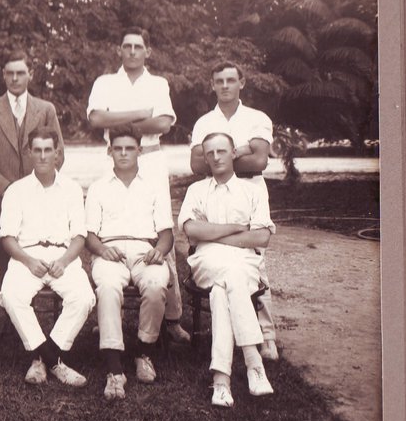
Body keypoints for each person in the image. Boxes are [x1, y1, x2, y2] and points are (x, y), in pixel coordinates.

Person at [86, 27, 191, 344]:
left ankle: (171, 317)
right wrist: (138, 116)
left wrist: (116, 120)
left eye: (138, 46)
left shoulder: (158, 83)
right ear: (119, 49)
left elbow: (162, 123)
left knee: (159, 232)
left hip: (151, 157)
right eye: (126, 45)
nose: (132, 51)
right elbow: (95, 120)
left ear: (148, 51)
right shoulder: (105, 82)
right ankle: (108, 314)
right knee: (109, 230)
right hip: (114, 157)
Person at [178, 132, 275, 408]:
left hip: (244, 262)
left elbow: (261, 238)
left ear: (234, 153)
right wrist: (235, 228)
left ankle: (221, 380)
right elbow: (191, 230)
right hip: (206, 260)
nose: (216, 157)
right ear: (206, 159)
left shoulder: (253, 191)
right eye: (210, 153)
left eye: (222, 151)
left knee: (223, 290)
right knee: (231, 276)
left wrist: (211, 233)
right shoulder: (196, 191)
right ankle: (254, 363)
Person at [190, 61, 278, 360]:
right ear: (212, 84)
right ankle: (228, 329)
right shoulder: (204, 122)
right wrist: (241, 150)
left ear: (242, 82)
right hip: (213, 192)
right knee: (219, 253)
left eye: (230, 80)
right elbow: (197, 165)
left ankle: (266, 335)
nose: (225, 85)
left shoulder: (257, 118)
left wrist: (222, 158)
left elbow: (259, 162)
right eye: (219, 80)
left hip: (250, 190)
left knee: (256, 261)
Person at [0, 126, 95, 387]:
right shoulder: (16, 190)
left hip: (62, 257)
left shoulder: (72, 189)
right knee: (11, 295)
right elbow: (7, 237)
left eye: (47, 150)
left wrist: (63, 261)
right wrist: (28, 261)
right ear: (29, 152)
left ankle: (42, 357)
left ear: (57, 153)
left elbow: (79, 236)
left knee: (84, 297)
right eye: (37, 150)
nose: (42, 156)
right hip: (26, 256)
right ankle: (54, 361)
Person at [85, 127, 174, 400]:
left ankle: (143, 351)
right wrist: (102, 249)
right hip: (109, 248)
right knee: (109, 286)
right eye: (118, 148)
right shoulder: (98, 187)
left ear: (140, 150)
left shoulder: (154, 187)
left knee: (157, 283)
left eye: (130, 148)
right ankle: (114, 367)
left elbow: (167, 235)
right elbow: (90, 235)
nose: (124, 153)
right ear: (109, 151)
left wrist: (159, 251)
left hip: (144, 248)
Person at [0, 50, 64, 277]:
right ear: (3, 75)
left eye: (20, 73)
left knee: (39, 251)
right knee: (5, 259)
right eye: (10, 73)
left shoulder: (45, 109)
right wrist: (9, 189)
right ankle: (9, 307)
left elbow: (58, 153)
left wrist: (36, 186)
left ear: (30, 74)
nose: (15, 78)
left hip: (39, 198)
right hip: (0, 199)